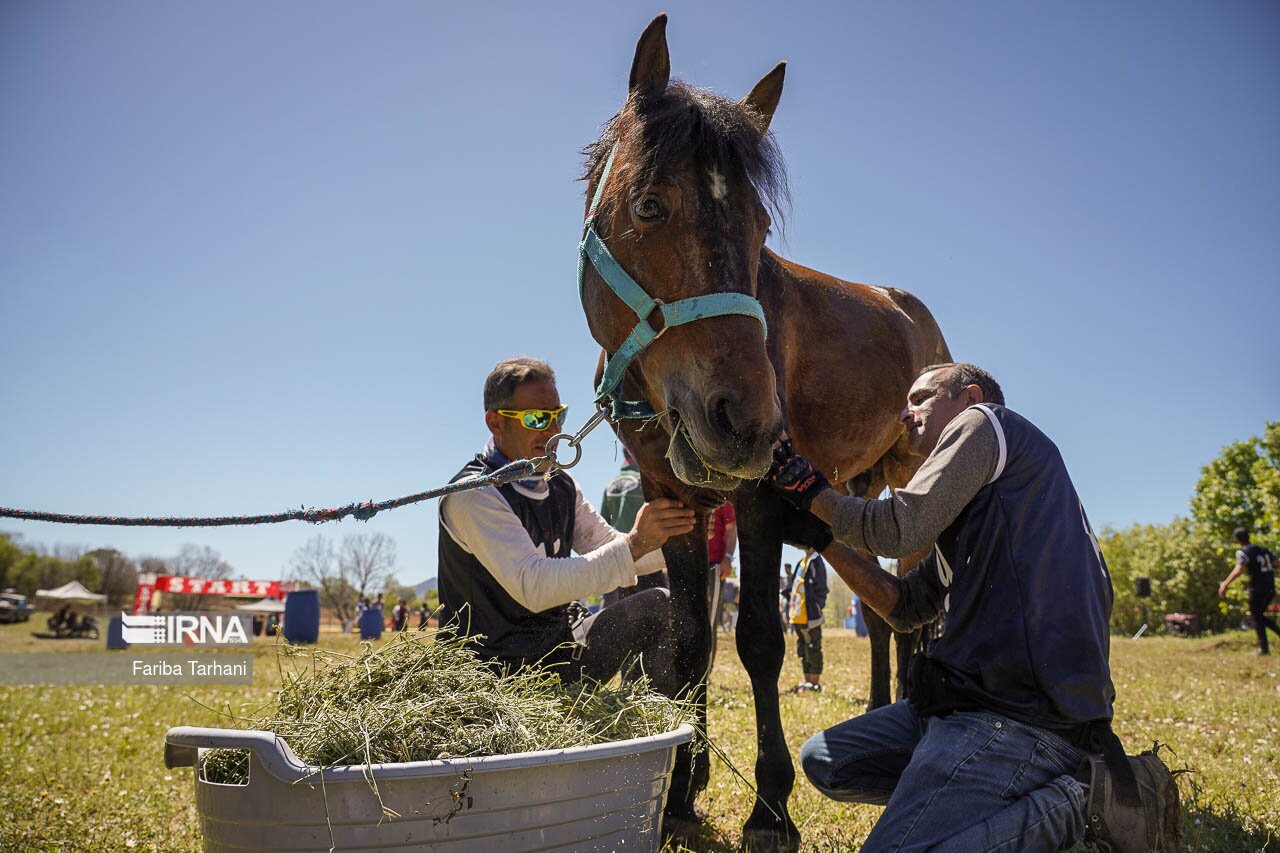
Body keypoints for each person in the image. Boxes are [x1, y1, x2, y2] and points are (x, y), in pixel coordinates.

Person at [765, 362, 1178, 852]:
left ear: (969, 396)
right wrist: (824, 538)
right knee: (826, 760)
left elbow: (897, 530)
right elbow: (905, 607)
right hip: (972, 703)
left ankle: (1080, 801)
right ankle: (984, 792)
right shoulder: (993, 510)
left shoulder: (988, 422)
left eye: (921, 398)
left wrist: (813, 494)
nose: (905, 413)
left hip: (1024, 713)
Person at [438, 357, 695, 683]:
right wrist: (637, 543)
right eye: (536, 419)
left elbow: (610, 547)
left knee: (660, 605)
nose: (553, 430)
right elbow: (535, 586)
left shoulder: (561, 484)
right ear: (495, 423)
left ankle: (660, 726)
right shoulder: (473, 494)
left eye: (558, 416)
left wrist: (680, 534)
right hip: (489, 678)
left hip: (556, 659)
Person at [600, 447, 668, 607]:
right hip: (645, 556)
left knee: (612, 616)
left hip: (616, 559)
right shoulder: (645, 482)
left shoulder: (610, 485)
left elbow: (602, 524)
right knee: (654, 617)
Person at [1219, 527, 1278, 655]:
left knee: (1257, 616)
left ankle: (1264, 649)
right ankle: (1265, 647)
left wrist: (1225, 584)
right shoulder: (1263, 550)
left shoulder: (1243, 552)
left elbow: (1238, 570)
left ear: (1237, 540)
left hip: (1257, 588)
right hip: (1270, 587)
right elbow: (1277, 563)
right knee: (1259, 615)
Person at [786, 547, 828, 693]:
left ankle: (814, 683)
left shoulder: (817, 562)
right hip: (798, 615)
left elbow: (821, 588)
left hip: (810, 616)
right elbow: (794, 586)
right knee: (802, 648)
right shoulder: (801, 562)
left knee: (813, 647)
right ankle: (806, 681)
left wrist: (816, 607)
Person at [707, 501, 737, 638]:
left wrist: (728, 557)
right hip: (690, 561)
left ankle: (707, 658)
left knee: (710, 619)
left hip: (714, 566)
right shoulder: (689, 492)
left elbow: (731, 529)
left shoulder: (721, 498)